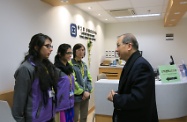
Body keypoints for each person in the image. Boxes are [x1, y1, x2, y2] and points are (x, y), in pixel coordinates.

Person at [107, 33, 158, 122]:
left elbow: (138, 99)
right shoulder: (133, 63)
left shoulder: (141, 66)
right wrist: (117, 93)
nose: (116, 49)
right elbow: (131, 88)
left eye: (118, 45)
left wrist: (116, 98)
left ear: (129, 46)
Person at [12, 33, 58, 122]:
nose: (51, 49)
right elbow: (19, 102)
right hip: (35, 119)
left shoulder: (46, 66)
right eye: (47, 46)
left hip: (49, 116)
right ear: (36, 47)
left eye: (51, 46)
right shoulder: (26, 69)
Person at [69, 43, 93, 122]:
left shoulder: (84, 65)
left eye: (82, 50)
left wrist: (88, 91)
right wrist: (83, 92)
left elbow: (89, 79)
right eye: (78, 50)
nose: (81, 52)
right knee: (75, 118)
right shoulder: (70, 64)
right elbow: (73, 81)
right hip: (76, 96)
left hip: (86, 95)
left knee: (84, 118)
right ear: (74, 51)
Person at [54, 44, 74, 122]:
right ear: (60, 53)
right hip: (61, 106)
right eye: (68, 53)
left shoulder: (69, 67)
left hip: (70, 103)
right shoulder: (55, 69)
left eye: (71, 53)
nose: (70, 55)